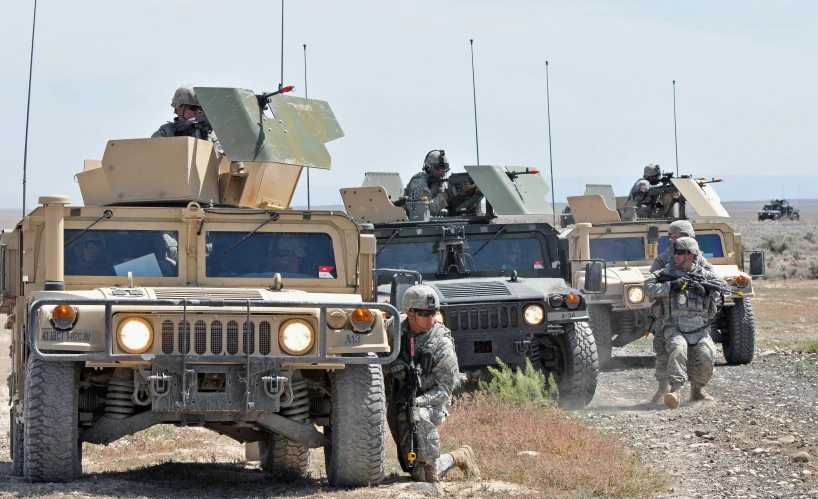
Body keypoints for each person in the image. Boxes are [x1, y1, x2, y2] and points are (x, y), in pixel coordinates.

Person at [383, 284, 480, 483]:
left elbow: (445, 390)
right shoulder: (393, 328)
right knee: (411, 467)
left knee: (424, 474)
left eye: (434, 313)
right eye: (425, 314)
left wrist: (418, 403)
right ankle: (432, 465)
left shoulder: (441, 343)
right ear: (410, 314)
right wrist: (391, 364)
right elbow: (374, 354)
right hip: (398, 400)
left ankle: (455, 458)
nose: (431, 319)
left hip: (432, 403)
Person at [645, 237, 730, 409]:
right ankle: (675, 390)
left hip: (700, 327)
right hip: (674, 325)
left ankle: (697, 389)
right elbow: (647, 287)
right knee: (678, 349)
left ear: (690, 255)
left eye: (678, 253)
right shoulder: (665, 272)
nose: (674, 256)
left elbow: (726, 290)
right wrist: (670, 286)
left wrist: (706, 292)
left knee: (707, 353)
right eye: (675, 252)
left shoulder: (705, 274)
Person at [151, 84, 223, 155]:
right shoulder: (167, 131)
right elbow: (153, 149)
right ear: (179, 110)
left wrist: (205, 138)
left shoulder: (212, 134)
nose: (197, 111)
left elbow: (220, 159)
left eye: (200, 108)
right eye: (193, 108)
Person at [403, 150, 451, 217]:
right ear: (428, 168)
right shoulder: (419, 182)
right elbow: (425, 210)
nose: (441, 170)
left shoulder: (444, 183)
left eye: (444, 167)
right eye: (437, 167)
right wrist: (445, 195)